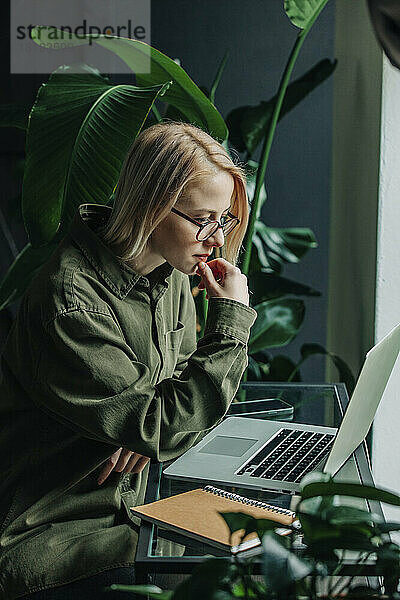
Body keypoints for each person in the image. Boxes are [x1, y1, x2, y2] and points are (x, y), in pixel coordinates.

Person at [0, 121, 257, 599]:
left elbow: (167, 403)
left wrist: (146, 430)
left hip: (138, 510)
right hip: (58, 537)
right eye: (203, 219)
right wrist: (231, 319)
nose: (217, 239)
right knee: (235, 576)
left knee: (265, 544)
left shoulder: (171, 268)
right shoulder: (72, 304)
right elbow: (162, 421)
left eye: (224, 219)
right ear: (151, 208)